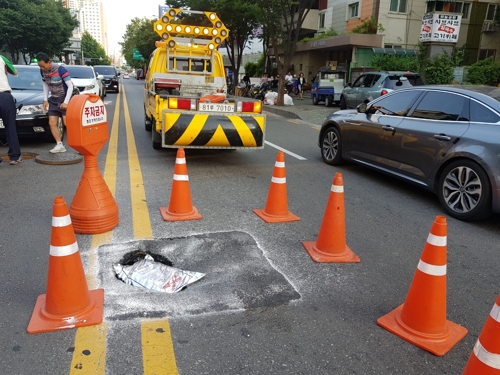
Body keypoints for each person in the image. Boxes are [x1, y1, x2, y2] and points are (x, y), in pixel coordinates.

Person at [36, 52, 74, 153]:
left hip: (64, 98)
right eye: (40, 67)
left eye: (43, 66)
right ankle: (59, 145)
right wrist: (45, 99)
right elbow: (45, 85)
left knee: (68, 123)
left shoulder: (60, 69)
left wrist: (66, 102)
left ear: (49, 63)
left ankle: (80, 144)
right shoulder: (42, 71)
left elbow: (70, 86)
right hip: (53, 99)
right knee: (52, 123)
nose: (42, 69)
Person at [0, 54, 23, 165]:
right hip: (4, 96)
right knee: (10, 127)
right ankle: (15, 157)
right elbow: (15, 72)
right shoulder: (2, 58)